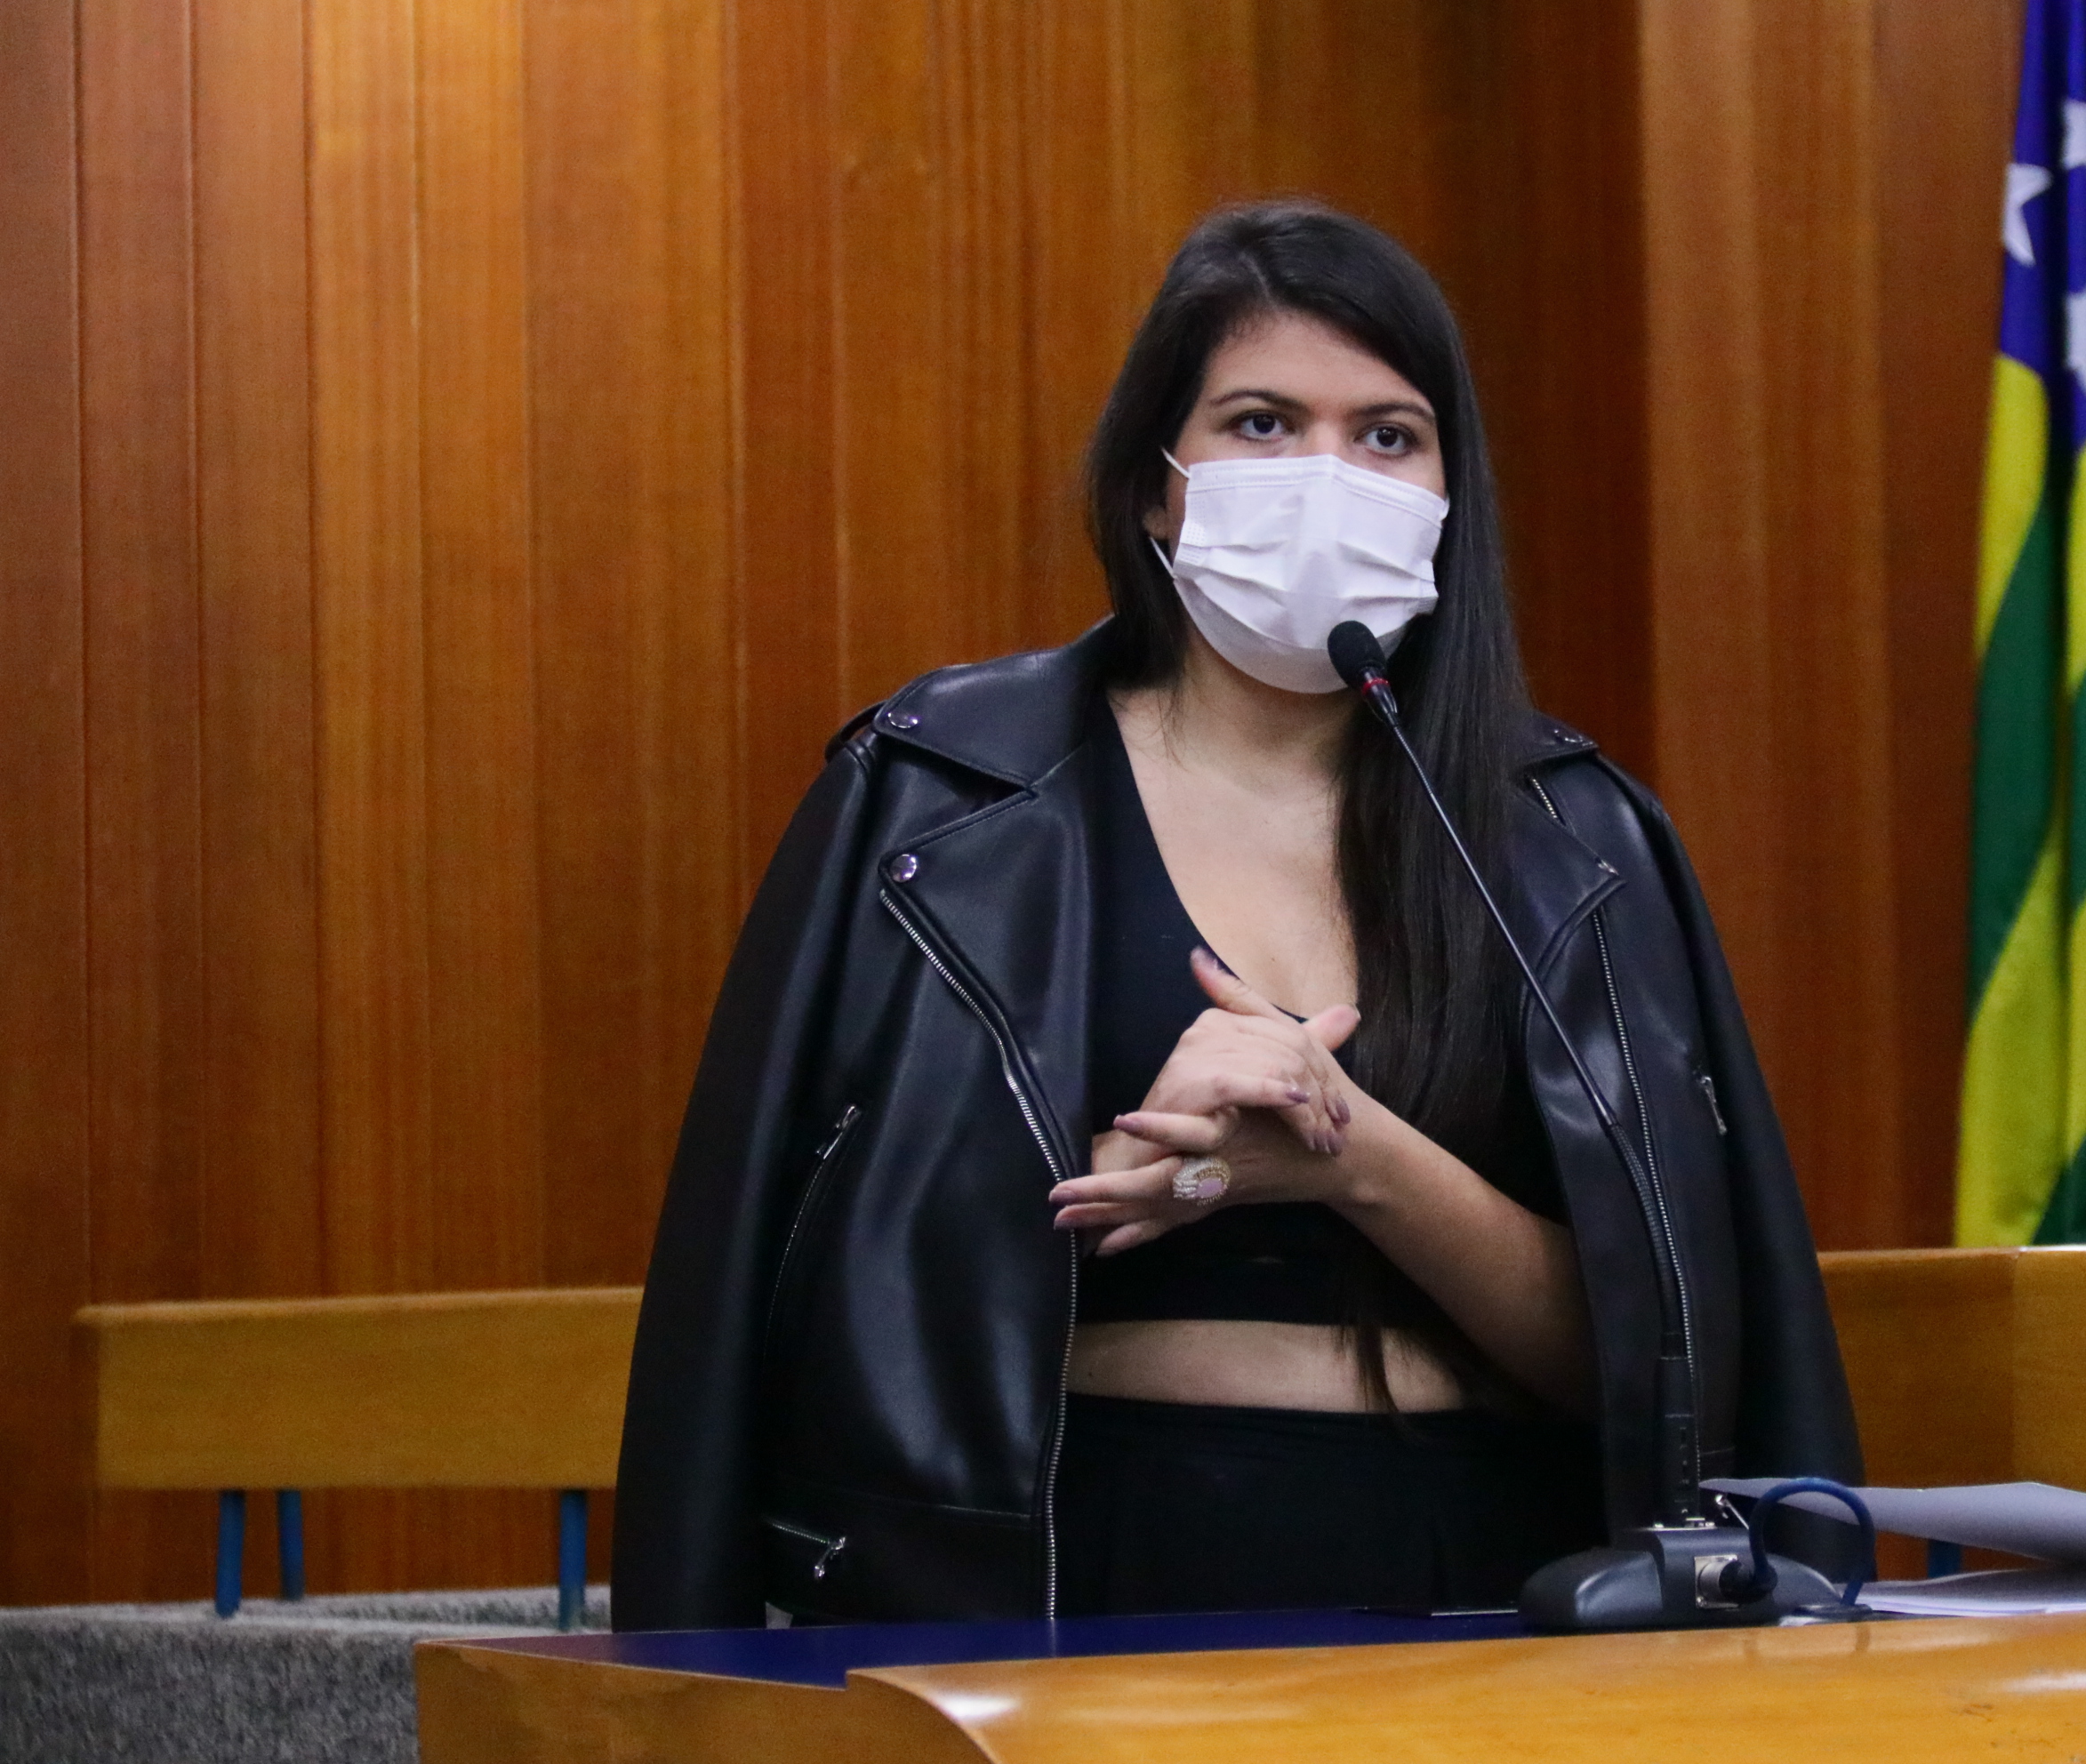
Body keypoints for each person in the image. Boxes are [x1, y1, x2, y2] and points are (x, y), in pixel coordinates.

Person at [613, 201, 1859, 1631]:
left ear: (1450, 496)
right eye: (1262, 424)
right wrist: (1142, 1175)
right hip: (1059, 1574)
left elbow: (1670, 1369)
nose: (1327, 479)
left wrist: (1353, 1157)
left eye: (1386, 436)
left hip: (1489, 1586)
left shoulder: (1574, 835)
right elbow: (780, 1287)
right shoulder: (934, 797)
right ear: (1157, 488)